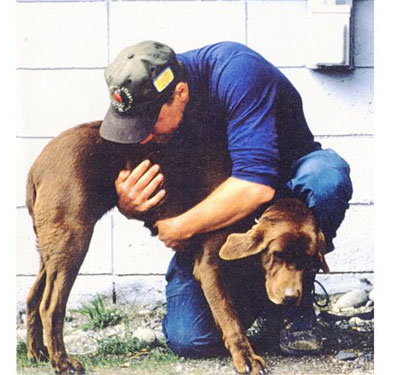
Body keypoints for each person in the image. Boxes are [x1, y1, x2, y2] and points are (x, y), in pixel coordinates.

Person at [99, 40, 353, 357]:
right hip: (219, 230)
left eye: (147, 124)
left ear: (180, 94)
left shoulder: (238, 73)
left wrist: (181, 226)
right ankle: (266, 291)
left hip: (285, 199)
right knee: (192, 339)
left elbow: (254, 187)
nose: (143, 137)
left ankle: (294, 297)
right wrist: (130, 206)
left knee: (325, 177)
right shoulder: (145, 94)